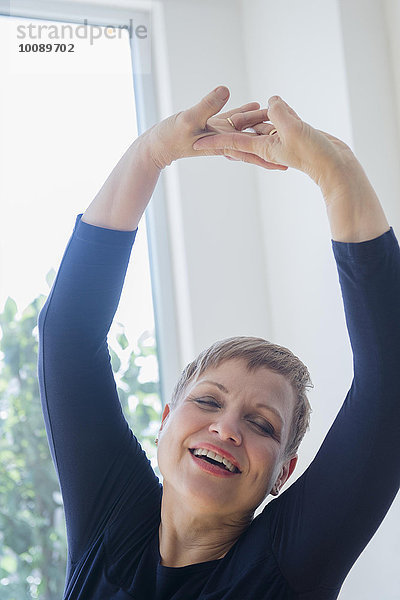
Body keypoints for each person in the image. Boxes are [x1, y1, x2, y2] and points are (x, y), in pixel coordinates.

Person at [37, 85, 400, 599]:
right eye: (208, 400)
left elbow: (391, 390)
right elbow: (67, 340)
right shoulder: (111, 527)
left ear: (283, 474)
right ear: (165, 422)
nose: (226, 428)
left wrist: (336, 175)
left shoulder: (285, 566)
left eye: (261, 424)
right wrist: (149, 155)